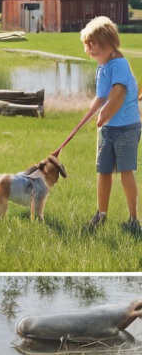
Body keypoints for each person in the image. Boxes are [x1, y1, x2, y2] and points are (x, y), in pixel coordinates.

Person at [73, 16, 141, 233]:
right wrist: (89, 115)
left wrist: (104, 115)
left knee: (125, 171)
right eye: (87, 44)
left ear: (108, 44)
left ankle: (133, 218)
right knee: (103, 171)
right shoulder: (102, 66)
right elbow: (101, 97)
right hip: (108, 128)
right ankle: (101, 214)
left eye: (93, 44)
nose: (89, 49)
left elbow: (118, 93)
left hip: (126, 127)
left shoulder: (118, 64)